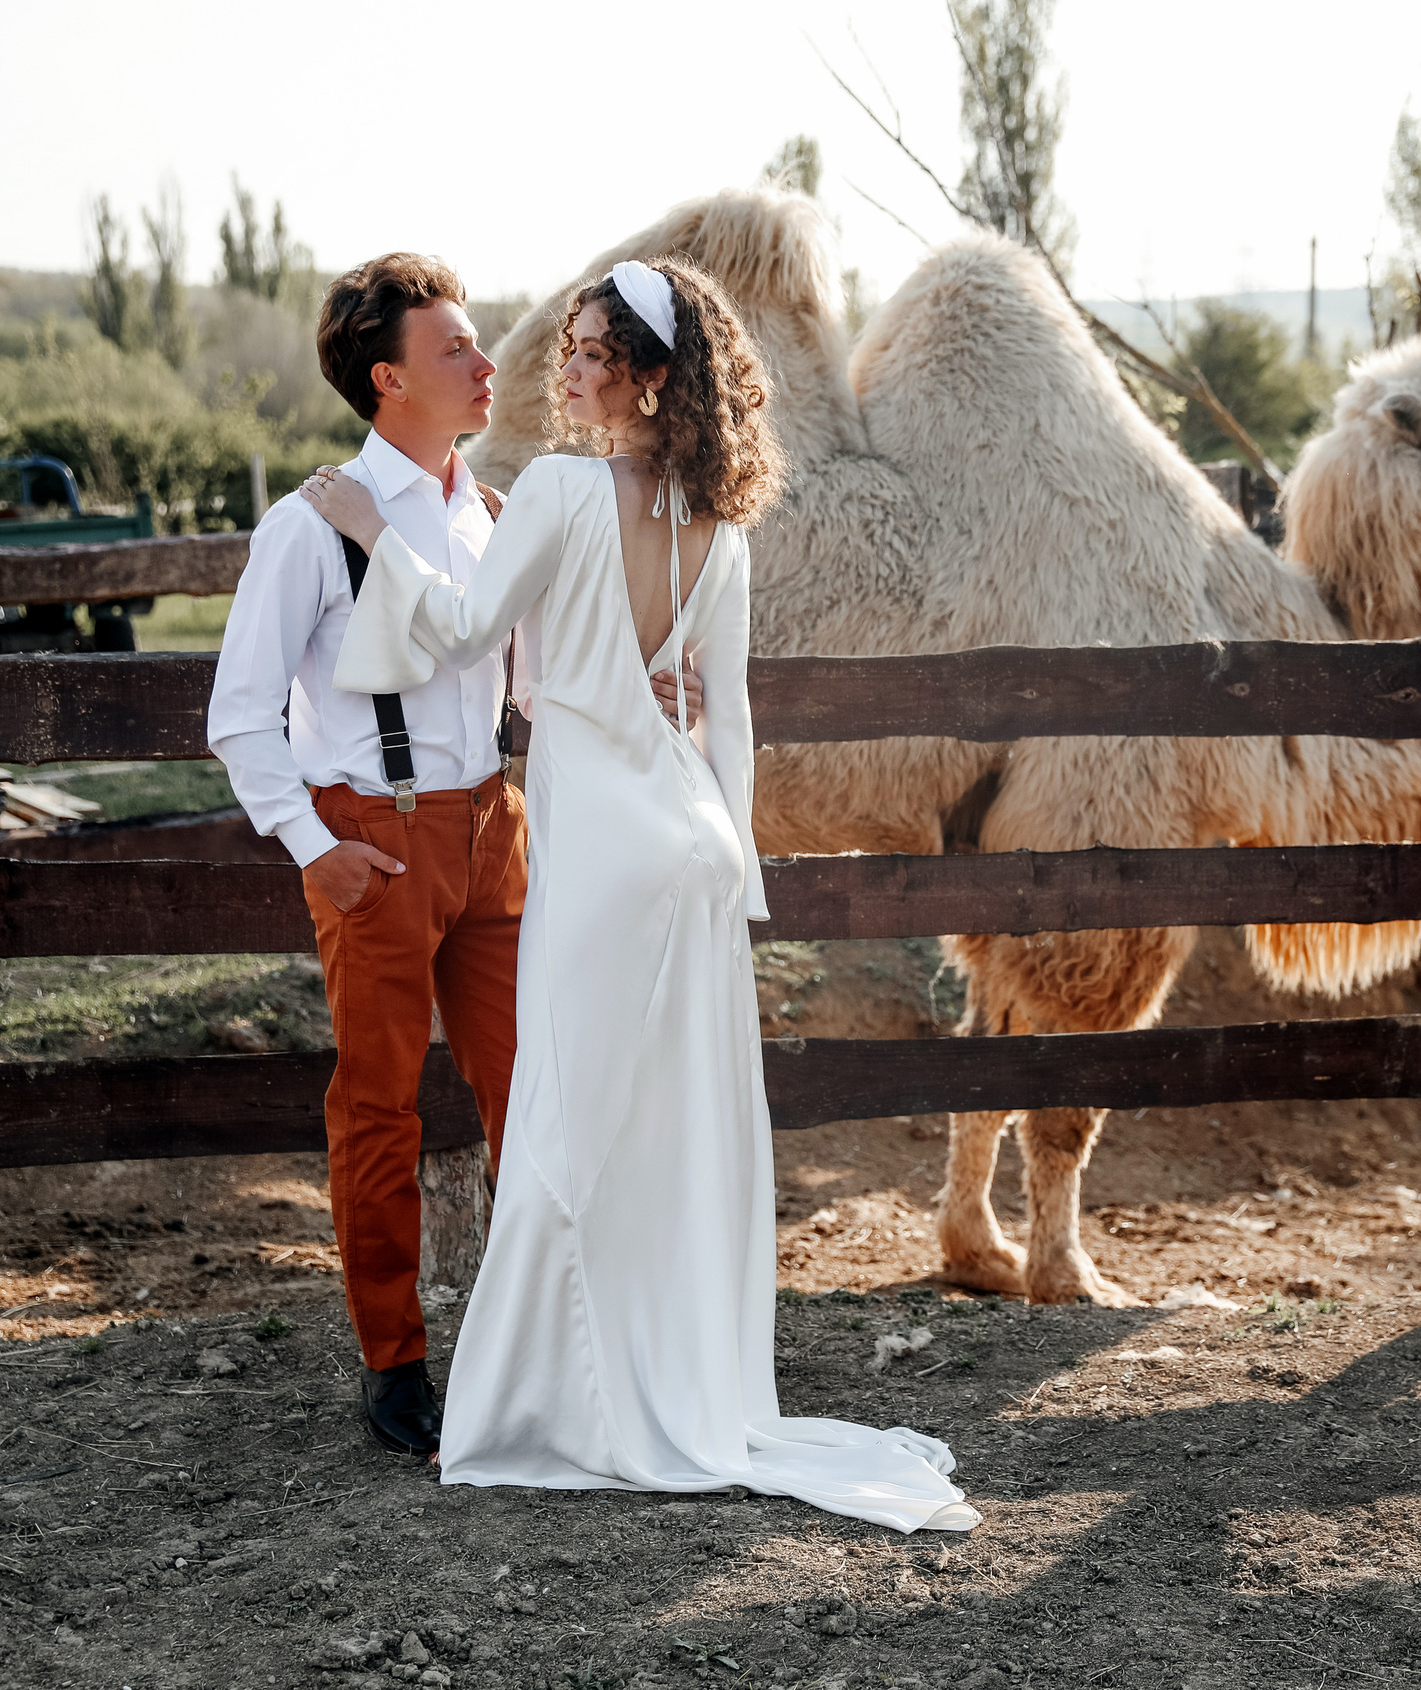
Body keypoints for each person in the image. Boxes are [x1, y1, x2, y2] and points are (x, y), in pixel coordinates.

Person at [297, 258, 978, 1532]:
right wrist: (741, 873)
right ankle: (672, 1380)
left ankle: (547, 1403)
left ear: (648, 378)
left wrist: (367, 526)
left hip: (608, 850)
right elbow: (729, 715)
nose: (562, 366)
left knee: (569, 1114)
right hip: (698, 847)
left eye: (590, 350)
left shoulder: (556, 490)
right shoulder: (720, 523)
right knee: (675, 1134)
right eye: (569, 345)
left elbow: (453, 632)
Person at [208, 253, 695, 1460]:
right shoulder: (310, 525)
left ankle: (540, 1341)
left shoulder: (492, 508)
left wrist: (642, 681)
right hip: (373, 835)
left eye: (480, 348)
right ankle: (395, 1362)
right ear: (388, 380)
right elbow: (238, 713)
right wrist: (313, 847)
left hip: (496, 828)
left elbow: (531, 678)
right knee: (376, 1111)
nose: (491, 366)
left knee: (531, 1088)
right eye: (456, 353)